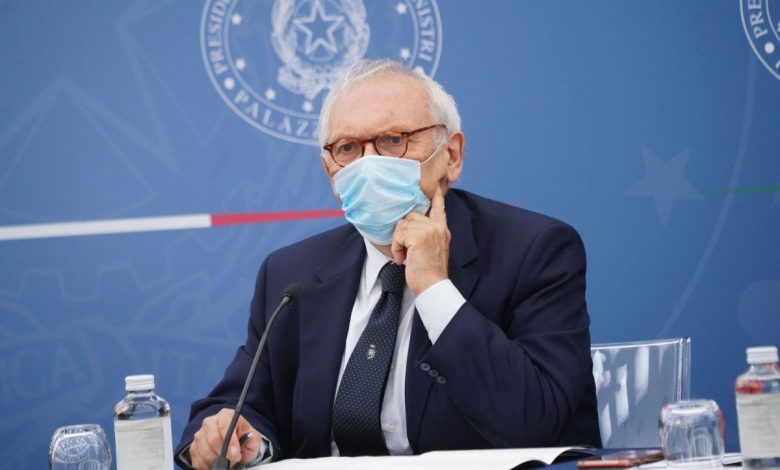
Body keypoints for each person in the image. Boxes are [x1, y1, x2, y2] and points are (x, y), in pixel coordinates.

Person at [175, 59, 601, 469]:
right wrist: (240, 440)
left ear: (451, 155)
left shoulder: (534, 250)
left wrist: (435, 289)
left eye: (394, 140)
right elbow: (237, 407)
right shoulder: (290, 275)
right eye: (347, 148)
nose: (369, 164)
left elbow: (539, 421)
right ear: (330, 171)